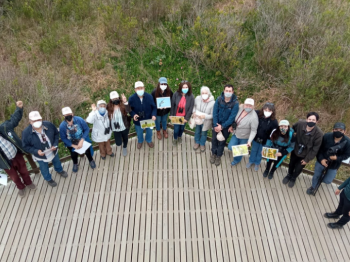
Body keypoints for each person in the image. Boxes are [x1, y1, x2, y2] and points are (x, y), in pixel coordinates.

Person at [22, 111, 68, 187]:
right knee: (44, 168)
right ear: (30, 122)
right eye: (34, 120)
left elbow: (56, 134)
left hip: (52, 151)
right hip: (40, 156)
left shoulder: (48, 124)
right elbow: (25, 146)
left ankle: (59, 170)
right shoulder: (26, 133)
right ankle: (48, 179)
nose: (37, 122)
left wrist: (55, 144)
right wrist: (36, 151)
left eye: (38, 119)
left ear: (41, 119)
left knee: (57, 161)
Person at [0, 101, 36, 197]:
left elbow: (14, 120)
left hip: (17, 155)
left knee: (24, 171)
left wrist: (19, 109)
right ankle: (21, 187)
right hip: (5, 162)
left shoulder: (4, 128)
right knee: (14, 177)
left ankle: (28, 183)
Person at [307, 122, 350, 195]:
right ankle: (313, 187)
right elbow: (319, 149)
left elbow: (347, 155)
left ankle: (321, 179)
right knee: (316, 176)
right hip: (321, 161)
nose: (338, 132)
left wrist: (336, 158)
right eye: (336, 129)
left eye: (341, 130)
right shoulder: (326, 136)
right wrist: (321, 159)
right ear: (333, 130)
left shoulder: (347, 142)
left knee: (328, 180)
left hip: (334, 165)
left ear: (344, 131)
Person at [283, 112, 323, 188]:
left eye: (313, 120)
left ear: (317, 121)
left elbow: (315, 148)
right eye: (309, 119)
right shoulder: (300, 124)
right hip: (295, 149)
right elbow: (292, 129)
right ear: (306, 119)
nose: (311, 121)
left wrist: (307, 159)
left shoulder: (319, 134)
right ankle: (289, 175)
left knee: (299, 168)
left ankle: (293, 178)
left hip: (305, 154)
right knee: (291, 164)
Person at [59, 107, 95, 172]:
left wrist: (82, 140)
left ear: (72, 114)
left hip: (82, 139)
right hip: (71, 142)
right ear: (63, 116)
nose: (68, 116)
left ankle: (91, 160)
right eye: (66, 115)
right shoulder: (62, 126)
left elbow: (86, 129)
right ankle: (75, 163)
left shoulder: (79, 120)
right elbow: (63, 138)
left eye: (69, 114)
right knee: (73, 154)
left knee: (87, 151)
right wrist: (73, 145)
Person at [211, 84, 239, 166]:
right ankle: (213, 153)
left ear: (232, 92)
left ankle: (219, 155)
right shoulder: (219, 99)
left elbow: (232, 117)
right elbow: (215, 112)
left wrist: (222, 126)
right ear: (224, 91)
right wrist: (216, 125)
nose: (228, 92)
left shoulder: (235, 103)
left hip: (226, 127)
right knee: (214, 140)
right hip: (216, 124)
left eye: (230, 91)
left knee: (222, 142)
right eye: (226, 90)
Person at [247, 102, 278, 171]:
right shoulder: (258, 114)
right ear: (263, 109)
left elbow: (274, 133)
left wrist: (269, 143)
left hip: (265, 141)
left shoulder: (274, 122)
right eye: (265, 110)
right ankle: (251, 161)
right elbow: (250, 110)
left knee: (260, 153)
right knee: (253, 150)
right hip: (256, 138)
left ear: (272, 112)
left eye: (269, 111)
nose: (267, 112)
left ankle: (257, 163)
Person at [228, 98, 259, 166]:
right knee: (230, 147)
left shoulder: (254, 117)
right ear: (244, 104)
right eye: (246, 105)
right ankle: (237, 152)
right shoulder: (240, 107)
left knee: (240, 151)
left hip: (245, 136)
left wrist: (249, 141)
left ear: (253, 107)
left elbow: (254, 131)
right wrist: (231, 126)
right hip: (236, 133)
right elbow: (235, 118)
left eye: (250, 106)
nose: (248, 107)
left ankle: (237, 160)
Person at [129, 81, 157, 149]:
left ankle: (149, 140)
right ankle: (140, 141)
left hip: (149, 119)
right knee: (139, 132)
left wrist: (153, 115)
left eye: (141, 88)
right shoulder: (131, 98)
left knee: (149, 131)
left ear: (144, 88)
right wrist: (133, 115)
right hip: (138, 120)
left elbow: (154, 107)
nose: (140, 89)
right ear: (135, 90)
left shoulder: (149, 97)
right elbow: (129, 109)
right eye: (138, 88)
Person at [170, 81, 195, 146]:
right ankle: (175, 138)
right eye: (183, 87)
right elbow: (172, 105)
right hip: (176, 116)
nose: (185, 88)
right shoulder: (176, 94)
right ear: (180, 87)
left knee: (181, 129)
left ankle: (179, 136)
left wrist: (186, 118)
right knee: (176, 129)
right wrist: (171, 115)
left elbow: (190, 108)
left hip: (184, 117)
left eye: (186, 87)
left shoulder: (191, 96)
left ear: (189, 87)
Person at [107, 91, 131, 156]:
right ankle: (121, 143)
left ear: (118, 97)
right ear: (111, 100)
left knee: (125, 138)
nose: (115, 100)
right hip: (115, 128)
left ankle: (125, 147)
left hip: (124, 126)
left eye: (116, 98)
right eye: (113, 99)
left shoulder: (123, 105)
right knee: (118, 143)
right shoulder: (108, 107)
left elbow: (129, 111)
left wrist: (125, 102)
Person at [192, 86, 215, 152]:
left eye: (206, 93)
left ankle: (202, 144)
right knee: (197, 131)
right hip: (197, 120)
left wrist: (205, 117)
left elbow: (213, 115)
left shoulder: (213, 103)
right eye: (203, 93)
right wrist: (193, 112)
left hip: (206, 122)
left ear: (209, 93)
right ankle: (197, 142)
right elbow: (194, 106)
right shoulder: (197, 98)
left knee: (204, 133)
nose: (204, 94)